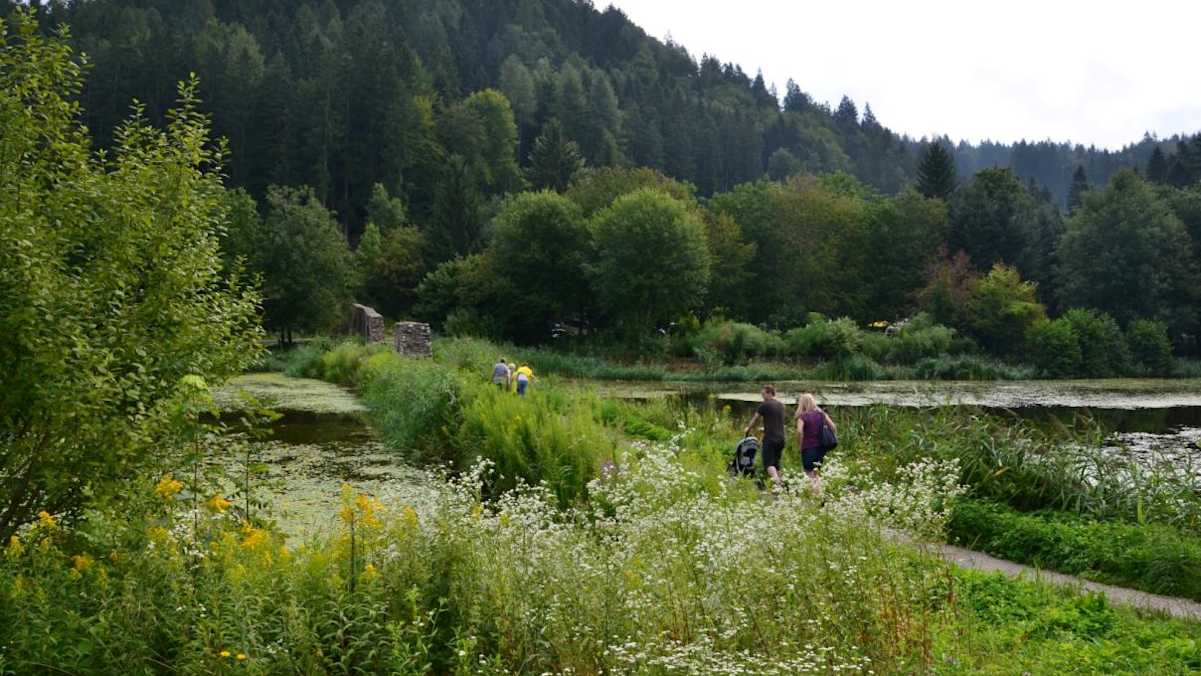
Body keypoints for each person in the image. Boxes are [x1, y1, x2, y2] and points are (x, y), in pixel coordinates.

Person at [743, 385, 786, 489]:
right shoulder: (780, 405)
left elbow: (755, 418)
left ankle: (778, 484)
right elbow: (777, 421)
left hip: (770, 438)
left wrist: (748, 428)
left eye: (763, 394)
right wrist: (764, 429)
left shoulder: (765, 405)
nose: (762, 396)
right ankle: (781, 487)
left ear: (769, 393)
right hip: (781, 438)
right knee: (777, 464)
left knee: (768, 464)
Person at [794, 393, 836, 496]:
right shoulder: (822, 414)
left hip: (808, 447)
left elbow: (799, 431)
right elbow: (833, 427)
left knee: (809, 472)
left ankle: (816, 495)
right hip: (821, 448)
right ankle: (819, 494)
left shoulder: (802, 417)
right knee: (816, 472)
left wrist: (799, 444)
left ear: (802, 404)